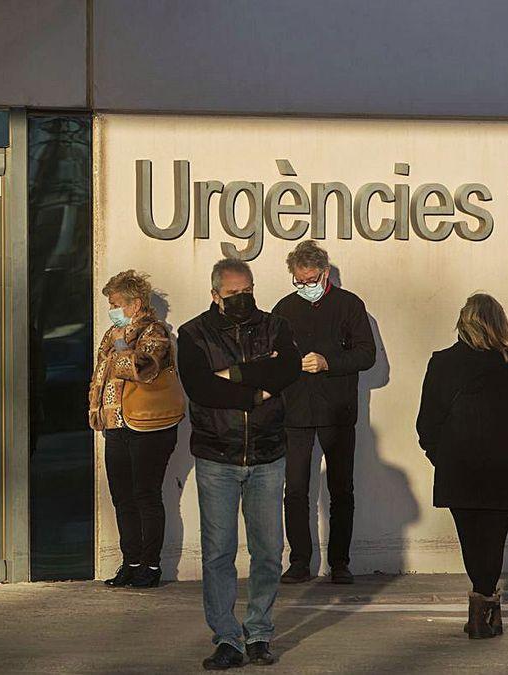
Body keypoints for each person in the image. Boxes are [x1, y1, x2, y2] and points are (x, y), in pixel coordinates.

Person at [177, 258, 300, 670]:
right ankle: (227, 638)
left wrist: (233, 373)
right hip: (217, 456)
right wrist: (252, 394)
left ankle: (260, 632)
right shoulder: (193, 333)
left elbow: (286, 369)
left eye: (248, 291)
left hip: (267, 454)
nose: (243, 299)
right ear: (215, 295)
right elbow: (199, 387)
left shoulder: (275, 325)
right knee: (218, 554)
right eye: (233, 294)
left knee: (267, 552)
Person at [416, 293, 508, 639]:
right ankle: (484, 610)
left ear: (464, 321)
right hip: (504, 470)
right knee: (493, 540)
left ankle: (482, 610)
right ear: (498, 322)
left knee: (472, 541)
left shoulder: (442, 362)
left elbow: (426, 425)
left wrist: (441, 458)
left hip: (458, 467)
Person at [272, 241, 375, 585]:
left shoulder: (350, 305)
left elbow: (367, 355)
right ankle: (300, 560)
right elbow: (272, 358)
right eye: (298, 281)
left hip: (337, 410)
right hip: (296, 412)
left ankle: (340, 562)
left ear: (325, 273)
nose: (305, 287)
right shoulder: (284, 308)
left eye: (311, 280)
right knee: (296, 489)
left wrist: (329, 362)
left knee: (341, 489)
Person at [89, 270, 182, 589]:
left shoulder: (155, 332)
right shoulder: (111, 334)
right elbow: (102, 376)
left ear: (135, 303)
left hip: (150, 426)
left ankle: (151, 565)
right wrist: (97, 412)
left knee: (146, 494)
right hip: (117, 425)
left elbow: (142, 369)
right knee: (122, 497)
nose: (110, 309)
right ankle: (130, 562)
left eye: (115, 303)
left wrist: (121, 346)